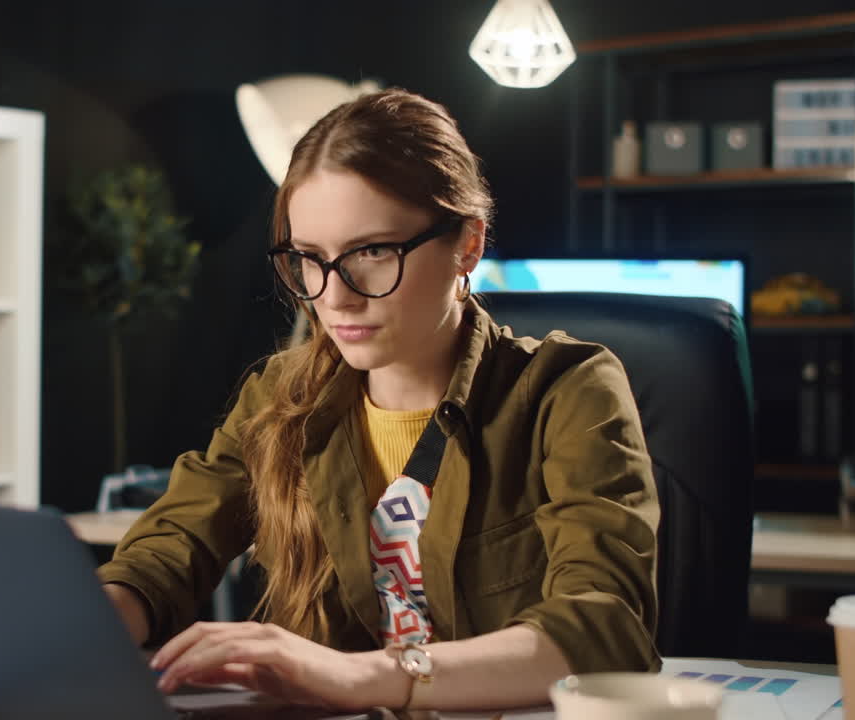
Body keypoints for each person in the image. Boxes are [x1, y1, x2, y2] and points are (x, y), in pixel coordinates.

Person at [98, 88, 660, 712]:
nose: (334, 297)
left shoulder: (568, 391)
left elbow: (604, 628)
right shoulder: (278, 397)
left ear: (468, 244)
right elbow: (170, 550)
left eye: (372, 252)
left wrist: (365, 676)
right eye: (310, 259)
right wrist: (89, 624)